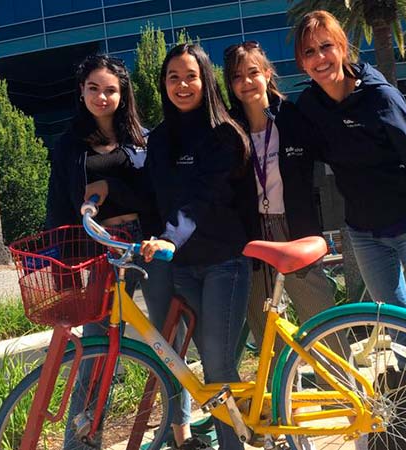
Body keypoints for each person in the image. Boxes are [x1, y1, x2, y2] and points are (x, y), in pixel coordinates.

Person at [291, 9, 406, 412]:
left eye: (326, 47)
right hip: (364, 234)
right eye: (310, 52)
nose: (320, 58)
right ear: (301, 61)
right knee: (397, 329)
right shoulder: (309, 106)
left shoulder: (379, 97)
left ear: (343, 48)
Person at [44, 54, 188, 449]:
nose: (102, 97)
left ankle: (182, 434)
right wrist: (64, 273)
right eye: (94, 88)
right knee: (96, 346)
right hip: (102, 249)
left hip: (144, 242)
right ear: (81, 91)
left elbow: (154, 195)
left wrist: (112, 190)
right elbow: (58, 208)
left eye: (110, 89)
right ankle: (83, 441)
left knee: (166, 340)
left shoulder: (143, 139)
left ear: (123, 94)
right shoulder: (68, 146)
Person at [140, 43, 252, 450]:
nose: (182, 85)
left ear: (206, 80)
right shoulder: (160, 138)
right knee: (197, 361)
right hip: (183, 267)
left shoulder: (223, 135)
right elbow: (149, 195)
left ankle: (232, 445)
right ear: (163, 84)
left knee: (218, 364)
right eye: (173, 77)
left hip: (226, 262)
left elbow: (200, 200)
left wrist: (168, 238)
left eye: (191, 76)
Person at [222, 41, 338, 373]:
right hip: (254, 234)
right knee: (267, 328)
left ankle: (349, 396)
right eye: (237, 76)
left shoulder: (293, 116)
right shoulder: (230, 129)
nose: (246, 82)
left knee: (319, 316)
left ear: (267, 74)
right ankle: (285, 412)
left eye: (253, 73)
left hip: (294, 227)